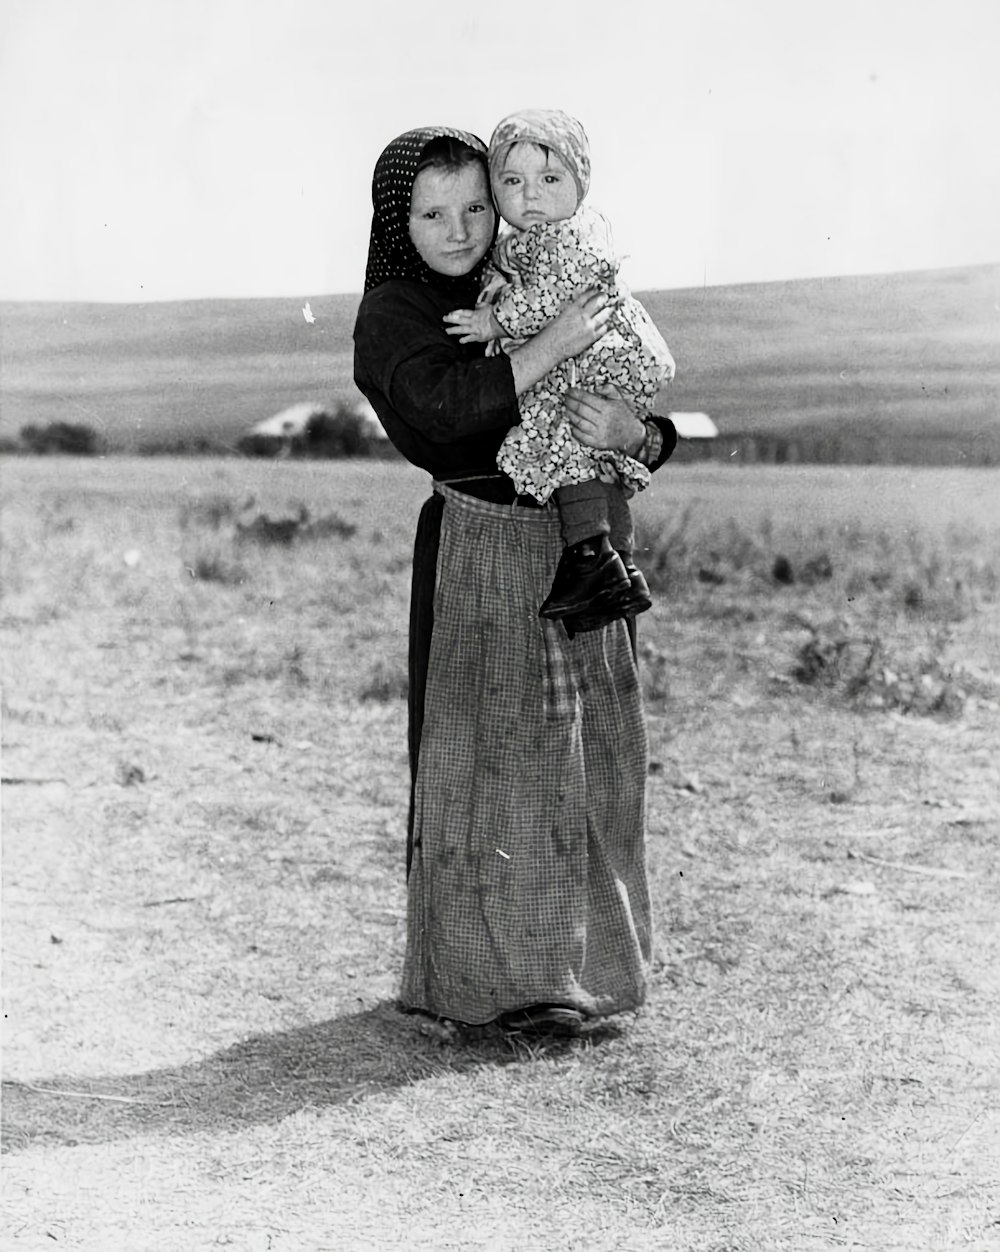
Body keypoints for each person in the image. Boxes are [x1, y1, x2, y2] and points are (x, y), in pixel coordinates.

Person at [353, 126, 677, 1038]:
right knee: (485, 764)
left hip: (584, 544)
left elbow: (630, 401)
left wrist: (637, 437)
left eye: (474, 206)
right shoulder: (396, 315)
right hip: (483, 546)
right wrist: (549, 340)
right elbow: (443, 417)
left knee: (584, 762)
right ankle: (487, 990)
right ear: (394, 220)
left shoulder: (532, 273)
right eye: (429, 212)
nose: (457, 231)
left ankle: (584, 980)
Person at [444, 109, 675, 628]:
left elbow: (550, 297)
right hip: (590, 353)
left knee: (565, 434)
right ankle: (620, 560)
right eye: (512, 181)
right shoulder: (529, 241)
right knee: (589, 447)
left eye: (549, 179)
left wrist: (491, 321)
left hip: (600, 356)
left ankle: (590, 556)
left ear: (579, 184)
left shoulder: (571, 238)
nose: (530, 196)